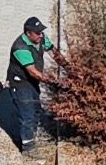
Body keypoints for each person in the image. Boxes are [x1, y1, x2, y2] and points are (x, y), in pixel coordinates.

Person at [5, 16, 64, 152]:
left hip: (32, 82)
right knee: (27, 115)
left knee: (36, 108)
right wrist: (54, 82)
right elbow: (33, 72)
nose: (41, 35)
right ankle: (28, 147)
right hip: (20, 84)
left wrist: (69, 67)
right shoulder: (20, 47)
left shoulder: (41, 38)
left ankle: (32, 136)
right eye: (37, 32)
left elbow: (53, 52)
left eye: (41, 32)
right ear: (28, 33)